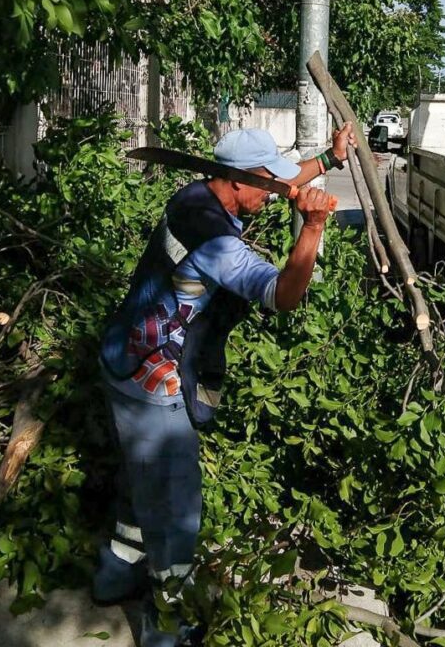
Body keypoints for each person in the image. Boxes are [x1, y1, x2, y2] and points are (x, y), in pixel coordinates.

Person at [93, 123, 355, 647]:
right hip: (152, 374)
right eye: (267, 183)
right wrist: (312, 230)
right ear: (239, 179)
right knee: (176, 502)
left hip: (123, 353)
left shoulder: (196, 194)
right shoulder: (214, 240)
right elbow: (282, 295)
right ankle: (166, 627)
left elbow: (282, 184)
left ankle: (114, 574)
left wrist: (328, 158)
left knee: (141, 482)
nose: (275, 191)